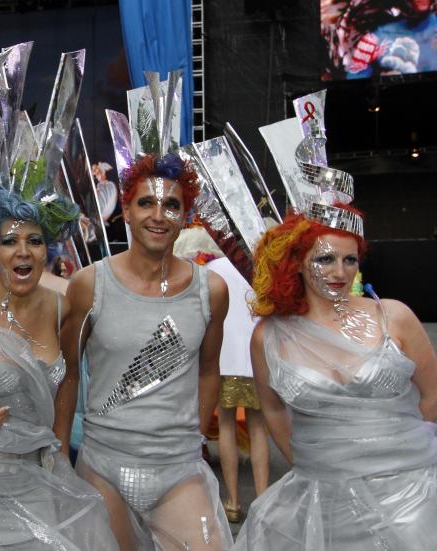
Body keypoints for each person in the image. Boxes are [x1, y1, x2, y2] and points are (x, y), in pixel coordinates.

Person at [56, 153, 233, 550]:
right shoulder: (89, 285)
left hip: (179, 468)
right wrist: (60, 456)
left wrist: (193, 438)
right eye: (145, 203)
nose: (158, 215)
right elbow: (68, 373)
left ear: (185, 216)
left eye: (171, 205)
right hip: (104, 465)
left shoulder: (211, 291)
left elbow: (209, 371)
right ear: (126, 211)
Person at [234, 208, 437, 550]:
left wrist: (404, 451)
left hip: (410, 496)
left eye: (350, 260)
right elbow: (273, 409)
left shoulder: (393, 317)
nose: (339, 272)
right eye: (325, 259)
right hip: (324, 500)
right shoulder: (268, 336)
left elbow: (433, 393)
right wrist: (314, 464)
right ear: (297, 262)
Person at [0, 182, 119, 550]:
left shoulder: (60, 308)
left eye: (34, 241)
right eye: (9, 241)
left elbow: (68, 377)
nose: (24, 252)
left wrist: (61, 449)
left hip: (36, 481)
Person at [205, 256, 269, 523]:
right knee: (258, 428)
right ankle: (263, 501)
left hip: (225, 359)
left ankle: (233, 502)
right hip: (257, 359)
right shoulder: (262, 266)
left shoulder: (213, 269)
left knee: (227, 426)